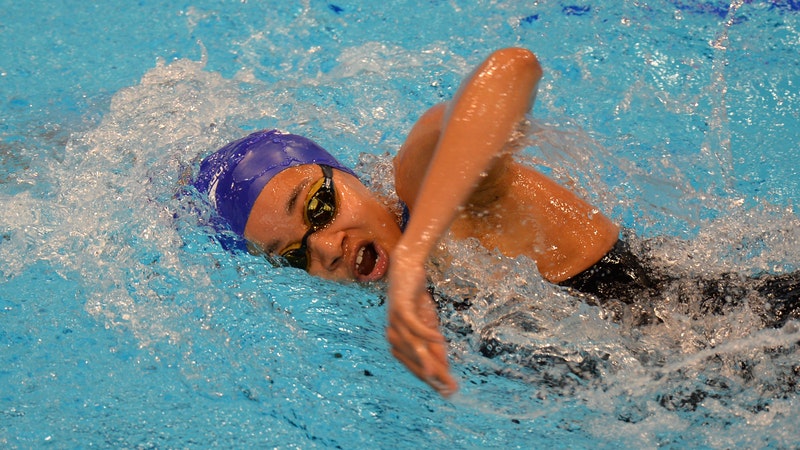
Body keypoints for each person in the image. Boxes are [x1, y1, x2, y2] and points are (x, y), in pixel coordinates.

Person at [194, 48, 799, 397]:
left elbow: (510, 71)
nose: (326, 247)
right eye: (293, 255)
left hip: (760, 337)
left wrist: (413, 251)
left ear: (346, 174)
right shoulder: (400, 301)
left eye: (319, 209)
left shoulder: (426, 188)